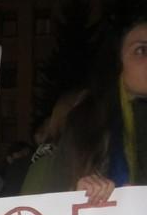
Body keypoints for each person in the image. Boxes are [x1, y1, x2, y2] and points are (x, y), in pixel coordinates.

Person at [21, 15, 147, 203]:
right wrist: (77, 195)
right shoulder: (86, 126)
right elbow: (41, 206)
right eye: (141, 50)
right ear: (116, 63)